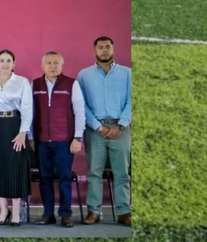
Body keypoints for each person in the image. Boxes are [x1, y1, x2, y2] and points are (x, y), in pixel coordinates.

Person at [76, 36, 132, 226]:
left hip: (121, 129)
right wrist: (98, 127)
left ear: (113, 50)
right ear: (95, 51)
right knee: (94, 173)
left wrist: (121, 125)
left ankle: (124, 211)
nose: (104, 50)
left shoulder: (127, 73)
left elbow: (132, 101)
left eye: (107, 47)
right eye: (100, 48)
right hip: (95, 130)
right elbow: (81, 105)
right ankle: (94, 211)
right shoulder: (84, 75)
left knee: (122, 173)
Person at [28, 52, 85, 228]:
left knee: (64, 178)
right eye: (49, 63)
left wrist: (77, 137)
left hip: (64, 141)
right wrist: (31, 137)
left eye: (56, 63)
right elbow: (31, 113)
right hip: (42, 141)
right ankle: (48, 214)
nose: (52, 66)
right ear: (42, 66)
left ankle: (66, 214)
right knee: (45, 179)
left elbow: (80, 111)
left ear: (62, 65)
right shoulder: (35, 84)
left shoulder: (71, 84)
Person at [0, 49, 33, 226]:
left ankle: (16, 211)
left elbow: (27, 109)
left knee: (15, 168)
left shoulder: (22, 82)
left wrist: (23, 132)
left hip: (15, 126)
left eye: (9, 60)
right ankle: (4, 211)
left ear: (14, 63)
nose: (5, 64)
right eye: (2, 60)